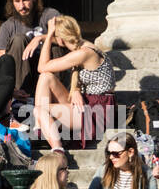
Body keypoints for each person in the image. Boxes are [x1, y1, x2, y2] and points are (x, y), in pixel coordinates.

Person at [33, 16, 115, 152]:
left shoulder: (84, 53)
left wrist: (47, 37)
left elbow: (42, 66)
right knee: (46, 77)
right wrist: (76, 89)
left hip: (97, 109)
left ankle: (58, 149)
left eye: (54, 36)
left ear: (59, 39)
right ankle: (40, 126)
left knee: (39, 110)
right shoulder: (82, 46)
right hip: (86, 102)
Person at [0, 0, 61, 99]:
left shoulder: (49, 15)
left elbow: (69, 40)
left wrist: (41, 38)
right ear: (12, 2)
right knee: (18, 39)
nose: (22, 6)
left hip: (48, 74)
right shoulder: (7, 27)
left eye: (25, 0)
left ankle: (55, 95)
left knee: (55, 45)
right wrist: (11, 89)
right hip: (23, 78)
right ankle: (21, 96)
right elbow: (3, 62)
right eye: (17, 1)